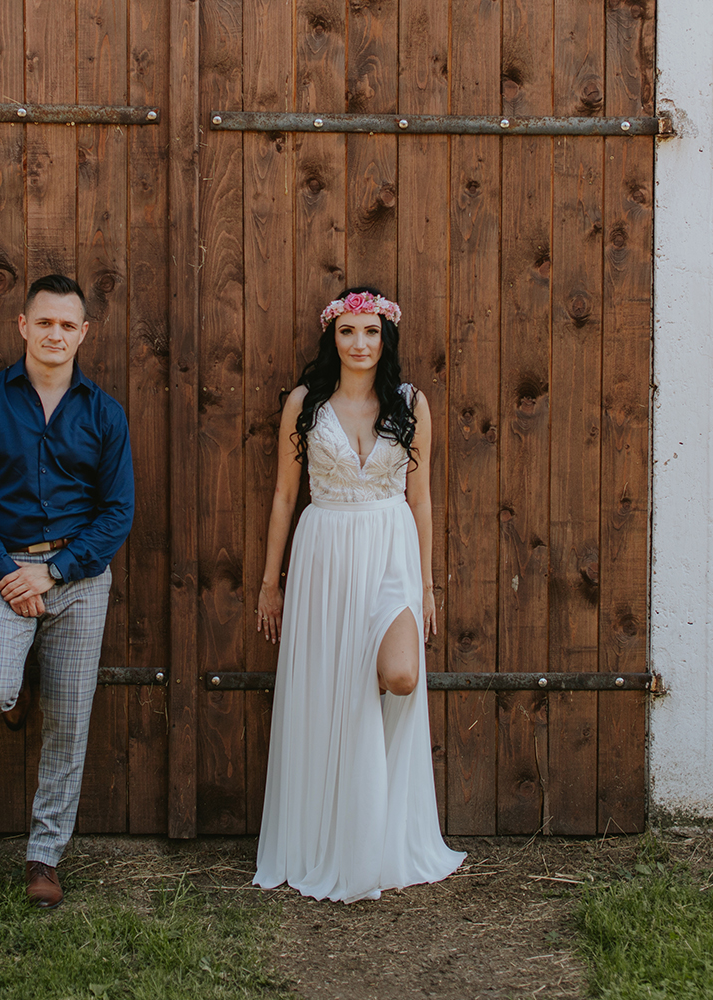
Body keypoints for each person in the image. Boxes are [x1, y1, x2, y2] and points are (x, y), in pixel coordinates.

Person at [253, 286, 466, 903]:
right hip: (324, 553)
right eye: (348, 331)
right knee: (330, 690)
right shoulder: (305, 403)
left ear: (385, 337)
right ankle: (339, 834)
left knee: (400, 676)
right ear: (333, 337)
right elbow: (284, 496)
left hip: (390, 549)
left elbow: (421, 498)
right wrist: (270, 582)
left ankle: (386, 828)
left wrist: (426, 584)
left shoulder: (410, 403)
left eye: (371, 331)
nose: (360, 343)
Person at [0, 274, 134, 909]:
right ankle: (15, 680)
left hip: (77, 578)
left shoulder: (105, 413)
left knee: (69, 721)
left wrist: (53, 573)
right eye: (45, 322)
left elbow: (117, 511)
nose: (56, 334)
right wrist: (8, 573)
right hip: (1, 567)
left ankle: (44, 856)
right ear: (24, 326)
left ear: (84, 333)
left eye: (67, 325)